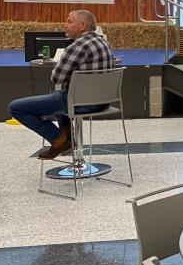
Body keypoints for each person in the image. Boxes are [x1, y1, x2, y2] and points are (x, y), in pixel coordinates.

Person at [9, 9, 113, 159]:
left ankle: (59, 141)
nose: (65, 25)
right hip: (102, 101)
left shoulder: (77, 47)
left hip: (81, 102)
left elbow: (56, 78)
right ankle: (67, 137)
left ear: (82, 25)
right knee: (57, 95)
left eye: (70, 22)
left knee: (16, 108)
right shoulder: (103, 41)